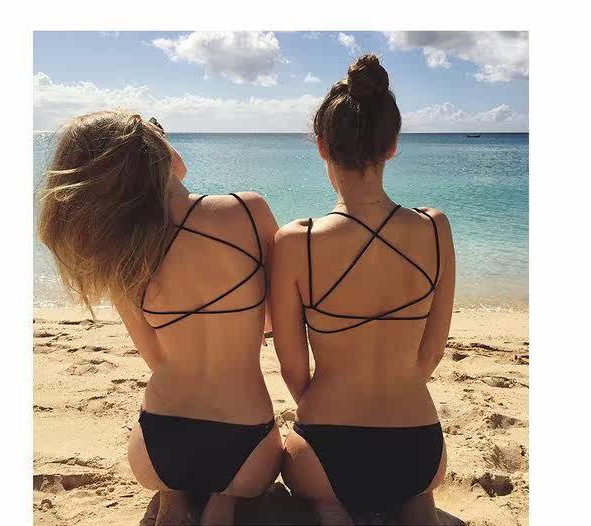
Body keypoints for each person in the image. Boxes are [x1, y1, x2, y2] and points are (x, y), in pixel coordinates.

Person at [38, 110, 282, 526]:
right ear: (150, 149)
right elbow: (275, 320)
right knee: (236, 489)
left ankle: (174, 496)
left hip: (156, 446)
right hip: (246, 439)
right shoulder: (247, 209)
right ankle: (223, 502)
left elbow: (156, 357)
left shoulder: (122, 252)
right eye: (156, 127)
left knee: (173, 483)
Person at [270, 55, 455, 526]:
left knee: (327, 499)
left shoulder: (296, 241)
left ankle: (334, 510)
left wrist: (329, 407)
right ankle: (414, 505)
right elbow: (431, 352)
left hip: (325, 451)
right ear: (392, 146)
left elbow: (293, 369)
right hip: (417, 445)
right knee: (416, 498)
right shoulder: (435, 228)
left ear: (321, 146)